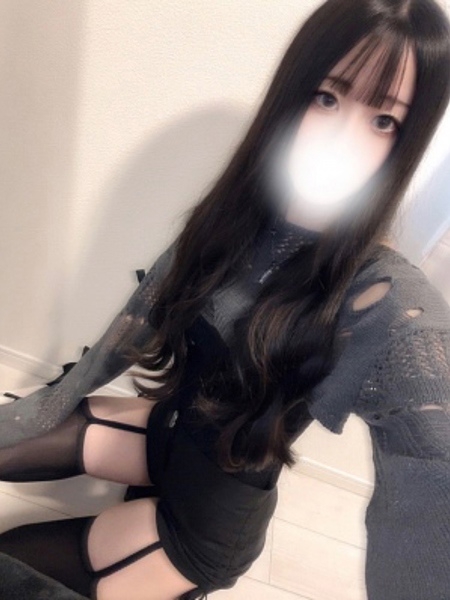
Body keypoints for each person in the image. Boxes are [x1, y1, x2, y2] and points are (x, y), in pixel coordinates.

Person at [1, 0, 450, 599]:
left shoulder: (382, 297)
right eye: (327, 97)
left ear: (407, 140)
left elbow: (433, 468)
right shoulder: (238, 216)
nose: (343, 137)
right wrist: (45, 406)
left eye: (384, 120)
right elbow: (135, 322)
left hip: (204, 525)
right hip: (169, 434)